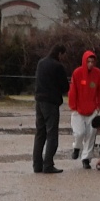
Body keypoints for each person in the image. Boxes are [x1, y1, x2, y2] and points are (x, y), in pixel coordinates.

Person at [31, 44, 69, 174]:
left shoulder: (41, 63)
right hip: (51, 103)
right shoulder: (58, 67)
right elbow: (65, 87)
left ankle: (37, 164)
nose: (64, 58)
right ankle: (48, 164)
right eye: (63, 55)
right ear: (59, 53)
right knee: (52, 134)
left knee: (40, 133)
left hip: (39, 101)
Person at [68, 49, 100, 168]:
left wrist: (98, 106)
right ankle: (77, 147)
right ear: (85, 61)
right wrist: (73, 107)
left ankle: (86, 159)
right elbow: (73, 91)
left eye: (92, 62)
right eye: (88, 61)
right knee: (79, 133)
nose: (90, 64)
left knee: (91, 135)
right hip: (78, 110)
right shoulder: (77, 73)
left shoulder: (98, 73)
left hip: (92, 110)